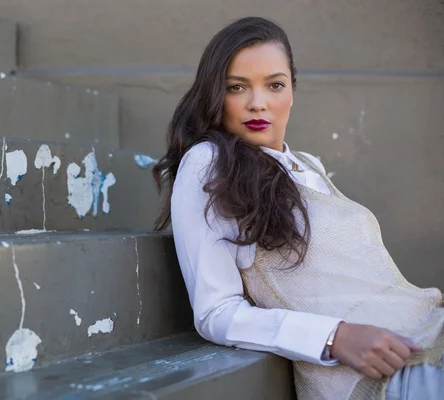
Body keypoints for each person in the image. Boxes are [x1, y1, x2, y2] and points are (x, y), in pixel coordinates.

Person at [152, 17, 444, 400]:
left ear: (292, 91)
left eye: (274, 85)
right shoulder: (209, 164)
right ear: (214, 95)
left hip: (430, 334)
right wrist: (334, 336)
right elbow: (215, 314)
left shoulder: (308, 166)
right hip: (387, 374)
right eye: (237, 87)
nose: (258, 103)